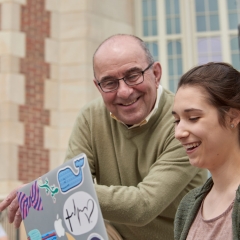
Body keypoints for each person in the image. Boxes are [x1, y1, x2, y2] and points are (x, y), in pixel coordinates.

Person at [0, 34, 207, 240]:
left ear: (156, 73)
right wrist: (50, 199)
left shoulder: (182, 123)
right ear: (98, 87)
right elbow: (71, 188)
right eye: (109, 82)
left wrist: (50, 192)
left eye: (133, 75)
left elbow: (143, 206)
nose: (124, 92)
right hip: (112, 234)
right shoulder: (90, 118)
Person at [172, 62, 240, 240]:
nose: (178, 133)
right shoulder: (188, 205)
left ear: (232, 116)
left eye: (193, 118)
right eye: (177, 120)